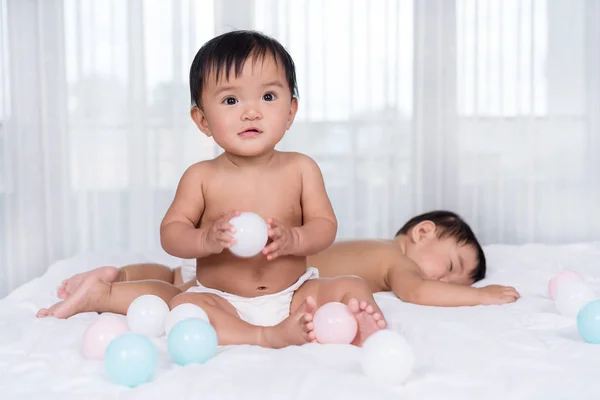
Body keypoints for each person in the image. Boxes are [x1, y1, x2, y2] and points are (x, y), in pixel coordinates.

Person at [37, 30, 387, 349]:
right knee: (185, 306)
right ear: (203, 120)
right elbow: (171, 234)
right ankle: (262, 336)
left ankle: (363, 324)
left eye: (268, 96)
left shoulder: (301, 168)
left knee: (351, 284)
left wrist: (295, 240)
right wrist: (206, 240)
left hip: (294, 291)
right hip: (221, 296)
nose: (251, 112)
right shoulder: (201, 176)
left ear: (291, 111)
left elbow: (325, 226)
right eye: (231, 101)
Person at [54, 211, 519, 312]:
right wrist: (477, 296)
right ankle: (108, 294)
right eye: (455, 265)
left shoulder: (371, 243)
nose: (453, 278)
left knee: (173, 274)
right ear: (423, 233)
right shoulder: (395, 262)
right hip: (256, 283)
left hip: (233, 261)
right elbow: (416, 291)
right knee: (177, 296)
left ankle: (120, 274)